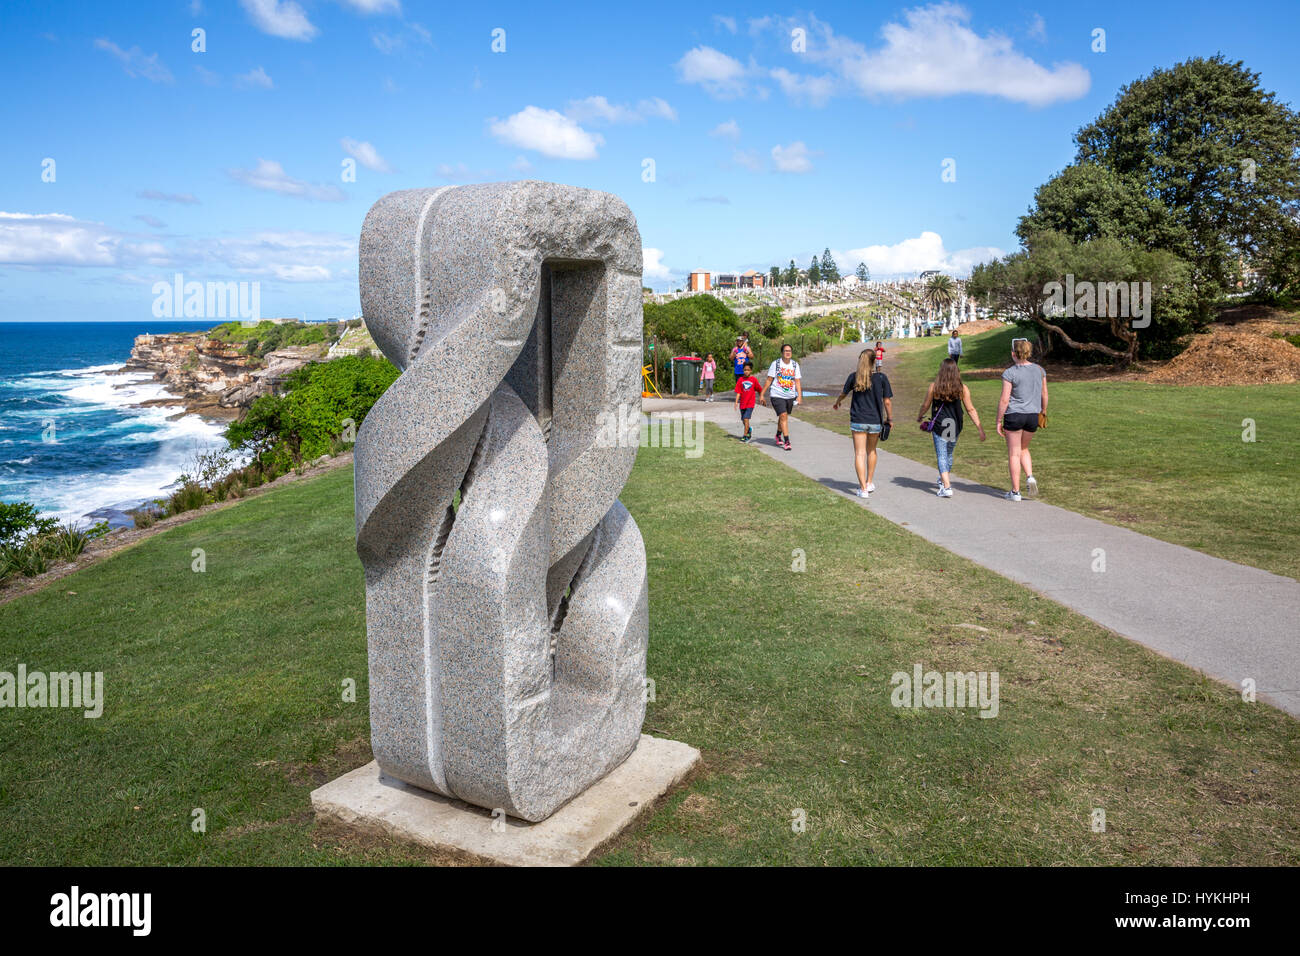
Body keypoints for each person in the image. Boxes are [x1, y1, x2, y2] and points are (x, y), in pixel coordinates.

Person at [916, 358, 985, 497]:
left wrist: (920, 415)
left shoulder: (934, 387)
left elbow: (925, 405)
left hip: (940, 425)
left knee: (942, 455)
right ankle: (944, 479)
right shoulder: (962, 388)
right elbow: (970, 409)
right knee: (948, 454)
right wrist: (979, 428)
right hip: (955, 425)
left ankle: (946, 486)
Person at [832, 348, 893, 497]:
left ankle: (863, 489)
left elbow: (843, 394)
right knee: (871, 451)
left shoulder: (854, 377)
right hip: (875, 420)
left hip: (858, 419)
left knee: (860, 453)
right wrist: (890, 419)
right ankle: (869, 482)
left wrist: (837, 402)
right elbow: (887, 402)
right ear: (874, 361)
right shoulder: (881, 378)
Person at [996, 337, 1048, 501]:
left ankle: (1015, 492)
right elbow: (1044, 394)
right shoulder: (1040, 370)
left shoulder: (1010, 372)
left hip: (1014, 415)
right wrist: (1043, 411)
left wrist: (998, 420)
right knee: (1024, 449)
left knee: (1014, 454)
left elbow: (1005, 399)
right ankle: (1030, 477)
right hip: (1033, 415)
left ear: (1013, 354)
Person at [761, 343, 802, 451]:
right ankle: (787, 441)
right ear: (782, 353)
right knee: (783, 415)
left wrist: (799, 396)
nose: (788, 353)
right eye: (785, 351)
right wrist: (761, 394)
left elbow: (797, 381)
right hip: (777, 394)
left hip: (790, 395)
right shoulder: (776, 364)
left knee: (783, 416)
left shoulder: (794, 365)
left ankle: (778, 434)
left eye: (789, 351)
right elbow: (769, 380)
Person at [733, 360, 762, 441]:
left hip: (750, 403)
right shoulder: (740, 380)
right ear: (743, 370)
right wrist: (736, 402)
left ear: (751, 371)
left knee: (746, 419)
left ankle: (745, 436)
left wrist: (761, 397)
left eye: (748, 370)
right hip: (742, 403)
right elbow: (738, 392)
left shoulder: (754, 380)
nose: (746, 372)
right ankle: (749, 429)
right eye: (745, 370)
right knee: (743, 420)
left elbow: (759, 389)